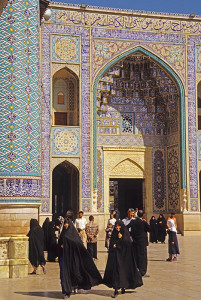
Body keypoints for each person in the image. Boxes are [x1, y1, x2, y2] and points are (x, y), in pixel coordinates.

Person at [58, 219, 102, 299]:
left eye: (67, 223)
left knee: (74, 273)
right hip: (64, 259)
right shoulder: (62, 234)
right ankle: (67, 291)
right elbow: (58, 245)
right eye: (65, 223)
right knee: (64, 275)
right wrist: (61, 247)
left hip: (73, 258)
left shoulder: (74, 235)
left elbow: (78, 245)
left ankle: (74, 286)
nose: (66, 225)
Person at [103, 220, 143, 298]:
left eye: (119, 226)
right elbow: (111, 244)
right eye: (116, 226)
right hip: (116, 258)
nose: (117, 228)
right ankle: (116, 290)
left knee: (123, 273)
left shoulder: (125, 233)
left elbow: (127, 244)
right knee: (116, 273)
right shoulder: (114, 233)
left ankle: (123, 286)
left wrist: (121, 239)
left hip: (124, 258)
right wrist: (114, 244)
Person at [130, 211, 150, 277]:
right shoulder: (143, 222)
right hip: (142, 243)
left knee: (136, 256)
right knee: (143, 257)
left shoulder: (133, 222)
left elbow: (129, 229)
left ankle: (135, 270)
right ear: (143, 215)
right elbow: (149, 229)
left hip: (135, 242)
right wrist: (146, 222)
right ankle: (142, 272)